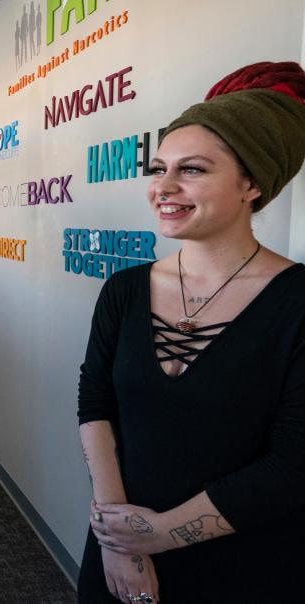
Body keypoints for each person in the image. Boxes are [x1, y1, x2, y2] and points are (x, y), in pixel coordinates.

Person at [77, 61, 305, 603]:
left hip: (248, 563)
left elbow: (293, 462)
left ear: (252, 184)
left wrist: (159, 534)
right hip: (118, 549)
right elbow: (96, 403)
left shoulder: (296, 303)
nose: (165, 188)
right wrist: (119, 537)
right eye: (158, 169)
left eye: (193, 170)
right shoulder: (124, 290)